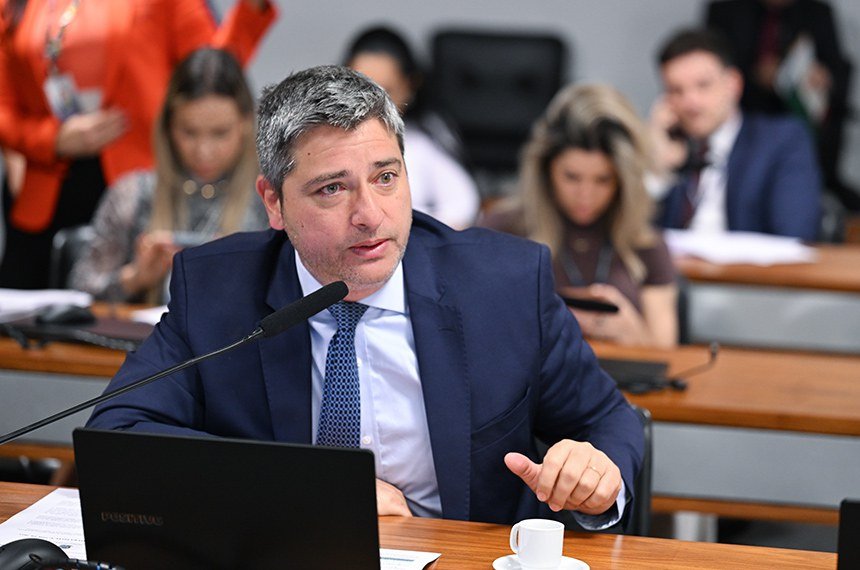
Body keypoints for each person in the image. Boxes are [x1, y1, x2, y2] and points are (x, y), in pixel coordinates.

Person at [87, 65, 643, 528]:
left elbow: (609, 420)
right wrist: (310, 496)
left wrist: (598, 472)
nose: (370, 216)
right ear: (274, 203)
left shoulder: (502, 284)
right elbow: (119, 434)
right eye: (332, 188)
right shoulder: (215, 290)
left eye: (385, 177)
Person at [0, 0, 276, 289]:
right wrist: (51, 138)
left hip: (138, 177)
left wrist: (251, 9)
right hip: (46, 186)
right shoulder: (17, 5)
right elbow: (5, 106)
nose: (206, 146)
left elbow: (210, 71)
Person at [481, 84, 678, 348]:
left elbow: (669, 360)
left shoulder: (646, 244)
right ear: (545, 170)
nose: (586, 195)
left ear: (624, 181)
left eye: (603, 180)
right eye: (572, 177)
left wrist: (635, 334)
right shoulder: (501, 230)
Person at [69, 48, 268, 303]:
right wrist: (136, 278)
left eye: (220, 133)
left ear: (245, 125)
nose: (203, 150)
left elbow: (303, 301)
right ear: (168, 127)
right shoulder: (132, 195)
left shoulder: (270, 198)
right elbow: (76, 296)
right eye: (189, 132)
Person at [649, 28, 822, 241]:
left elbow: (794, 233)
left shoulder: (781, 140)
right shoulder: (669, 151)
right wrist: (656, 172)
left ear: (733, 84)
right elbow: (631, 240)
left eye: (703, 85)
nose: (690, 102)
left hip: (747, 273)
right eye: (676, 90)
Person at [706, 0, 858, 211]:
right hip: (746, 112)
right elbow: (711, 67)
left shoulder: (817, 12)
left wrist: (822, 77)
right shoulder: (726, 10)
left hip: (801, 117)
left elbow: (837, 68)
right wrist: (755, 75)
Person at [344, 26, 480, 229]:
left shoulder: (423, 141)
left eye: (385, 91)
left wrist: (402, 219)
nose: (369, 102)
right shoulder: (327, 142)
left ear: (410, 86)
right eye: (359, 88)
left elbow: (462, 209)